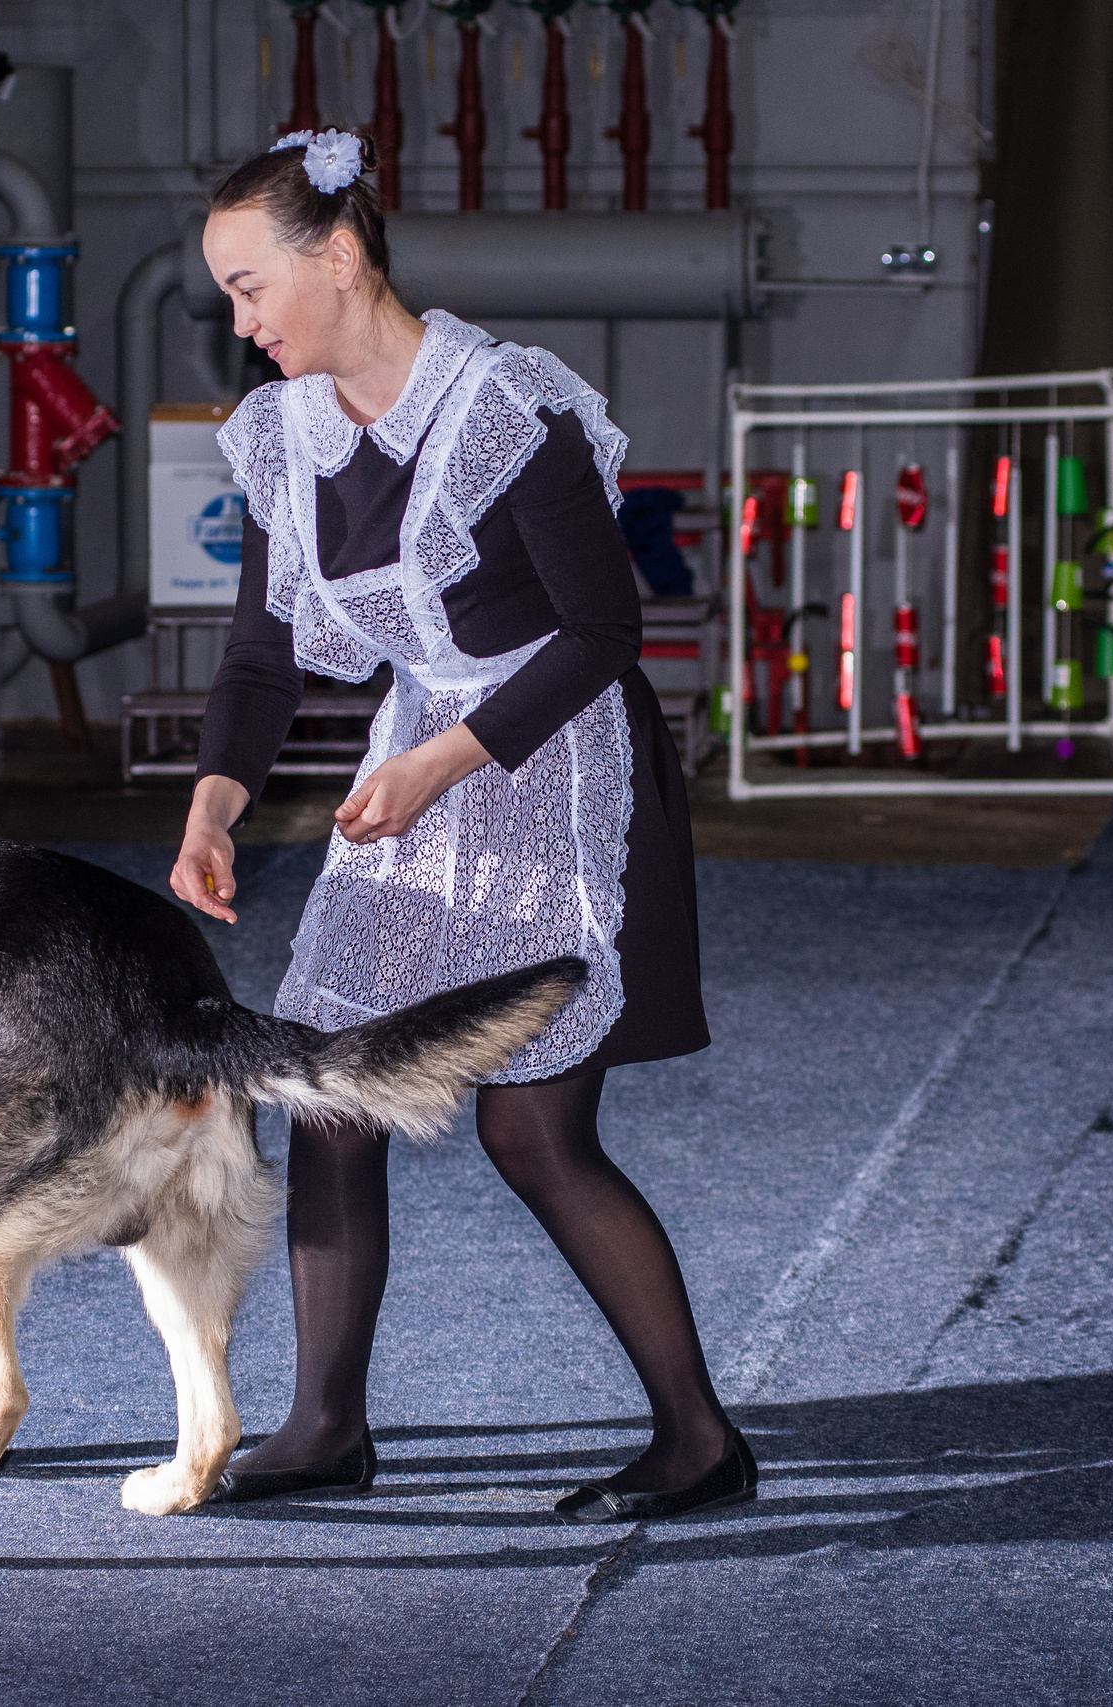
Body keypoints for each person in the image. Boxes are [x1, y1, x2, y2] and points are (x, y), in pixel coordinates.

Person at [170, 129, 754, 1523]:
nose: (240, 325)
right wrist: (215, 803)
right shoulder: (283, 437)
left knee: (532, 1131)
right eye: (228, 297)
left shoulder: (506, 409)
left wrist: (445, 762)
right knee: (333, 1090)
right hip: (422, 765)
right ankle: (325, 1426)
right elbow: (260, 660)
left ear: (340, 257)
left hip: (555, 763)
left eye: (250, 288)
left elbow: (606, 635)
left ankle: (700, 1441)